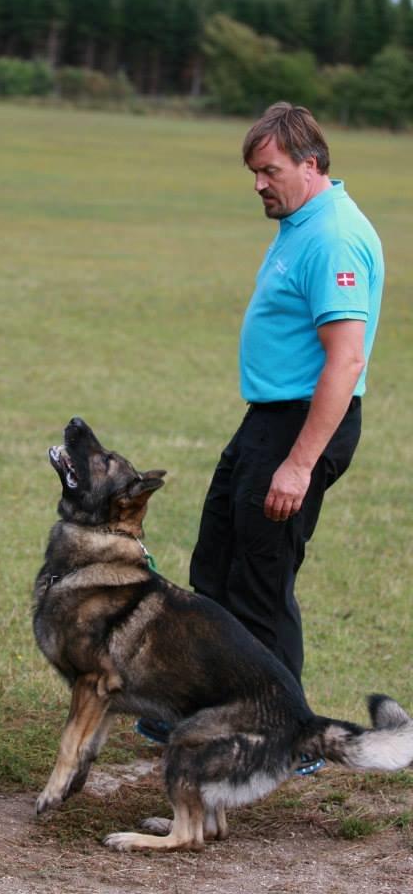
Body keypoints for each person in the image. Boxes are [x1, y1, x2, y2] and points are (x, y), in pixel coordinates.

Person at [138, 103, 384, 771]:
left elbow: (347, 359)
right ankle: (208, 714)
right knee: (214, 567)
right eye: (253, 172)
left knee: (261, 582)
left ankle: (287, 740)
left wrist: (299, 465)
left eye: (269, 171)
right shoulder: (302, 221)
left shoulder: (333, 236)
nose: (258, 185)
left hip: (299, 427)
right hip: (267, 420)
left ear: (311, 165)